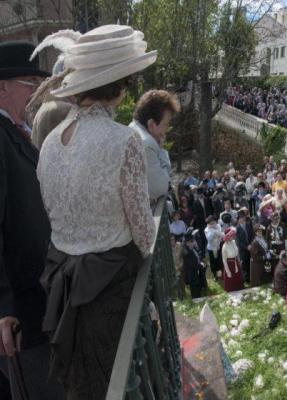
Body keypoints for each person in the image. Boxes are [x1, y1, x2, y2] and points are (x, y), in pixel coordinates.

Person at [36, 25, 158, 398]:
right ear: (119, 88)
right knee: (119, 381)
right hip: (111, 287)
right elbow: (144, 232)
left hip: (62, 281)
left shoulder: (50, 142)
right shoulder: (125, 140)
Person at [0, 38, 65, 400]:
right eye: (31, 84)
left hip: (37, 299)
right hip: (20, 311)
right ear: (2, 87)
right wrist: (3, 308)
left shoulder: (15, 132)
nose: (37, 94)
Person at [129, 90, 180, 200]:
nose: (166, 130)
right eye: (165, 124)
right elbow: (161, 188)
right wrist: (161, 150)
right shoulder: (147, 143)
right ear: (151, 124)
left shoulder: (132, 128)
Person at [182, 231, 207, 299]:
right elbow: (192, 264)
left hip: (197, 274)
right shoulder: (186, 252)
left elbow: (198, 256)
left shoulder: (192, 248)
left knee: (199, 291)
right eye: (192, 241)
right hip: (192, 276)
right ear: (187, 242)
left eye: (193, 241)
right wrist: (201, 265)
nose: (193, 242)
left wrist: (201, 262)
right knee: (195, 294)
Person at [221, 227, 244, 292]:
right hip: (230, 265)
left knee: (238, 278)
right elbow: (224, 261)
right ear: (227, 236)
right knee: (231, 280)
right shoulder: (224, 247)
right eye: (231, 235)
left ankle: (239, 289)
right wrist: (228, 272)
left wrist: (239, 261)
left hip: (236, 262)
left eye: (233, 235)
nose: (233, 237)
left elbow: (237, 253)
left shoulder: (234, 242)